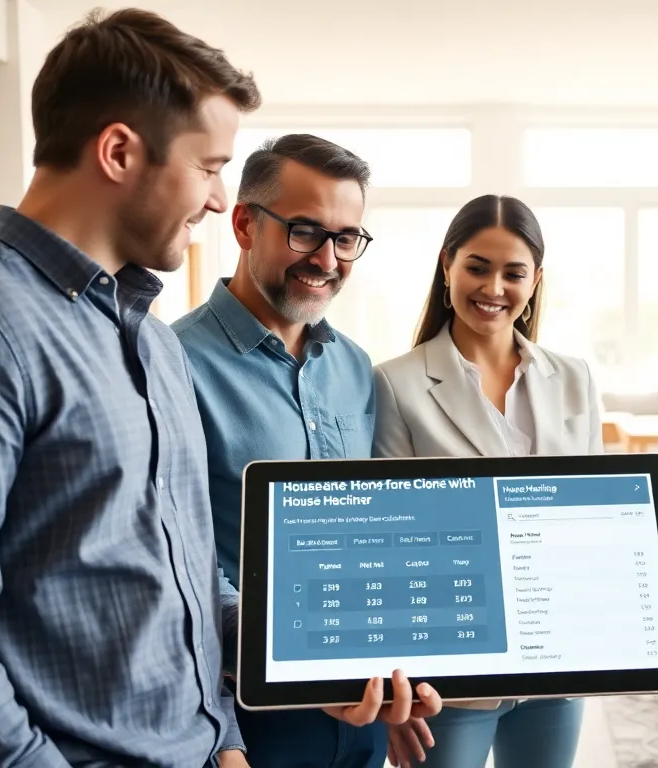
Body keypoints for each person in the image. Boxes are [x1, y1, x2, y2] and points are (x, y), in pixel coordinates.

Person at [0, 10, 437, 767]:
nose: (220, 201)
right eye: (210, 167)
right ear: (119, 151)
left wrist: (239, 719)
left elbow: (183, 577)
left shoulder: (145, 336)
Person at [174, 133, 436, 768]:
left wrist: (394, 672)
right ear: (243, 224)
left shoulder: (352, 366)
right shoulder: (172, 362)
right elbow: (179, 562)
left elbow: (372, 531)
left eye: (347, 238)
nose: (328, 258)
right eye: (304, 231)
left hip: (363, 708)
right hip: (245, 712)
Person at [372, 194, 601, 768]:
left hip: (555, 657)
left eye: (513, 272)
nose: (493, 287)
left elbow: (592, 517)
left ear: (536, 279)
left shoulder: (573, 378)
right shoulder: (396, 383)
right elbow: (393, 542)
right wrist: (399, 686)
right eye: (477, 266)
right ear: (447, 264)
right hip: (451, 663)